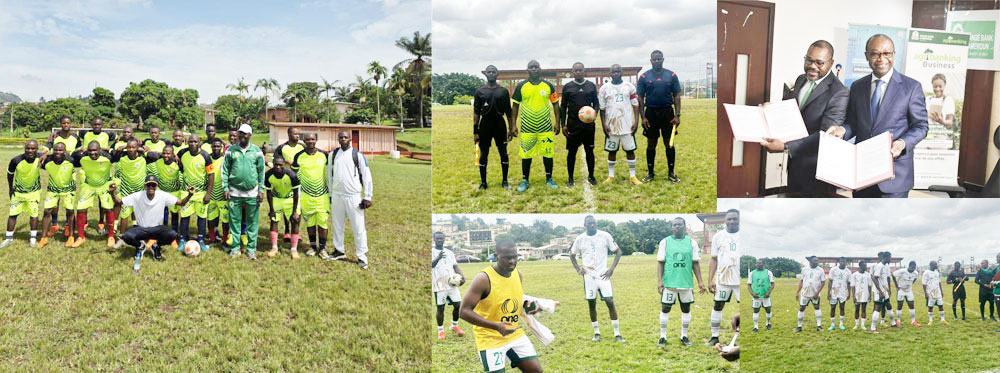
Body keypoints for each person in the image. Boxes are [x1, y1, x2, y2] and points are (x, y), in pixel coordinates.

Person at [826, 34, 929, 198]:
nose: (882, 59)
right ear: (866, 56)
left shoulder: (911, 87)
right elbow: (854, 123)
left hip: (895, 177)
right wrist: (842, 131)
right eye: (875, 54)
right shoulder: (858, 86)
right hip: (863, 175)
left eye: (887, 53)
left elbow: (921, 126)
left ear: (893, 55)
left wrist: (902, 143)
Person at [760, 40, 848, 195]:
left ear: (831, 63)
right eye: (809, 60)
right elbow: (790, 111)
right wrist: (772, 109)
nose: (813, 66)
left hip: (818, 170)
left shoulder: (839, 92)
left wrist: (786, 147)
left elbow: (826, 136)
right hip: (795, 164)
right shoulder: (801, 79)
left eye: (819, 63)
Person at [459, 238, 542, 373]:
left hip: (513, 333)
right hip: (489, 338)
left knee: (535, 370)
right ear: (496, 256)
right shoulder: (483, 278)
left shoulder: (517, 274)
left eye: (514, 257)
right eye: (507, 258)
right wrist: (497, 326)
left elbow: (514, 299)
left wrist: (529, 307)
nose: (512, 261)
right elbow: (464, 311)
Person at [110, 176, 193, 269]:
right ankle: (140, 246)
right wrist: (112, 192)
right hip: (141, 229)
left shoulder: (162, 195)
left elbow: (181, 202)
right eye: (148, 185)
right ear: (145, 186)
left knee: (173, 234)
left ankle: (156, 246)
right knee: (126, 236)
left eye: (153, 185)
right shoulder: (137, 196)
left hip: (157, 229)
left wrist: (190, 195)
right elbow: (118, 202)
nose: (151, 187)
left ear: (156, 186)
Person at [569, 215, 624, 343]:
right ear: (585, 225)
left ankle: (617, 334)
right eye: (589, 223)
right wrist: (578, 269)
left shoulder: (605, 235)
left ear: (596, 223)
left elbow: (618, 251)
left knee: (610, 302)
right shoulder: (580, 239)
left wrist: (611, 269)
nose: (592, 225)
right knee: (591, 304)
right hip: (589, 276)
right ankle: (597, 332)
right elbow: (572, 254)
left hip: (603, 275)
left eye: (594, 223)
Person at [511, 60, 561, 192]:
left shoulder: (548, 85)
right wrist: (513, 125)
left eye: (536, 67)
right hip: (527, 128)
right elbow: (515, 105)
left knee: (548, 154)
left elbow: (556, 104)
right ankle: (525, 180)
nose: (534, 69)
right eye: (531, 67)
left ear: (540, 69)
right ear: (527, 70)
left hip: (546, 128)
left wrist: (558, 122)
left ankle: (549, 179)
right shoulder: (521, 86)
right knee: (526, 155)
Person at [327, 130, 374, 269]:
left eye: (345, 137)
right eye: (340, 137)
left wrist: (367, 196)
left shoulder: (357, 155)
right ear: (338, 139)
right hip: (337, 195)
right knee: (337, 225)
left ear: (350, 139)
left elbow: (367, 176)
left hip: (354, 196)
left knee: (358, 227)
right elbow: (329, 175)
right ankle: (339, 251)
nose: (343, 139)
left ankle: (362, 256)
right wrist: (330, 194)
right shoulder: (332, 155)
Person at [656, 217, 706, 347]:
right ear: (672, 227)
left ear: (684, 226)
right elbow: (660, 262)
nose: (677, 227)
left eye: (679, 224)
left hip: (686, 282)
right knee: (665, 308)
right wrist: (660, 281)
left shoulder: (692, 243)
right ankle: (663, 336)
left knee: (686, 309)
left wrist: (700, 282)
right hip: (669, 283)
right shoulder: (665, 242)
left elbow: (695, 263)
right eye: (674, 225)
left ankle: (684, 336)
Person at [221, 124, 265, 260]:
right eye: (240, 133)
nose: (242, 136)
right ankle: (235, 248)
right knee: (234, 221)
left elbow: (261, 171)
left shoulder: (257, 151)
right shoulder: (230, 151)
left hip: (252, 192)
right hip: (234, 192)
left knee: (252, 222)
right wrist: (226, 188)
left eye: (245, 133)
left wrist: (261, 189)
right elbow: (224, 170)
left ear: (250, 135)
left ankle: (251, 249)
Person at [637, 50, 682, 183]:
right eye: (654, 59)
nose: (657, 61)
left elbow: (677, 95)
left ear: (663, 59)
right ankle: (650, 174)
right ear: (650, 61)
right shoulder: (644, 77)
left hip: (668, 113)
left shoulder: (672, 75)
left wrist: (677, 115)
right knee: (651, 144)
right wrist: (643, 117)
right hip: (651, 113)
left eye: (659, 59)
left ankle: (671, 173)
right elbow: (640, 97)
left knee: (670, 143)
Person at [599, 64, 642, 185]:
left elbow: (636, 105)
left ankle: (633, 176)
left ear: (622, 72)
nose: (616, 74)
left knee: (630, 151)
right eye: (613, 72)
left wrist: (636, 122)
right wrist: (604, 125)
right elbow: (602, 109)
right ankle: (611, 176)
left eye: (618, 71)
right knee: (612, 151)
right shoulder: (604, 88)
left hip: (627, 126)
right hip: (611, 127)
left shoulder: (629, 86)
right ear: (610, 74)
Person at [473, 65, 514, 190]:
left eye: (493, 72)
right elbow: (476, 113)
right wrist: (475, 131)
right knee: (484, 154)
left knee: (503, 153)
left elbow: (509, 112)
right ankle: (483, 183)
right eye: (489, 72)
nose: (491, 73)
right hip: (485, 125)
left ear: (497, 74)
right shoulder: (480, 92)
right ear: (486, 74)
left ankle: (505, 181)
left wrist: (511, 128)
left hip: (499, 125)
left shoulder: (503, 91)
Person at [560, 62, 600, 186]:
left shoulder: (591, 86)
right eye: (576, 70)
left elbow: (596, 104)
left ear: (584, 71)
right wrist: (563, 124)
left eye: (580, 70)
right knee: (571, 152)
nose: (578, 72)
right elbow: (563, 107)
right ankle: (570, 178)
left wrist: (594, 114)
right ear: (572, 72)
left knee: (590, 151)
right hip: (573, 125)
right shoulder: (567, 87)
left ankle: (591, 176)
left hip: (588, 126)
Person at [110, 139, 154, 249]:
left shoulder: (144, 159)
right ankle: (122, 238)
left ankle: (143, 238)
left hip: (140, 194)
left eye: (133, 147)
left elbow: (156, 156)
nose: (130, 149)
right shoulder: (122, 160)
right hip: (126, 193)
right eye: (128, 147)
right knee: (124, 216)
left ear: (137, 149)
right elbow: (117, 175)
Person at [291, 133, 330, 259]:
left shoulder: (324, 155)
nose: (310, 141)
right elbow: (294, 173)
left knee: (323, 223)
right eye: (307, 139)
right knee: (310, 223)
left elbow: (332, 172)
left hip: (322, 195)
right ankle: (313, 247)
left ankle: (323, 248)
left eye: (312, 139)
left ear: (316, 140)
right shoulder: (298, 156)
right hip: (306, 196)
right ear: (303, 140)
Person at [70, 141, 116, 249]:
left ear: (100, 150)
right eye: (90, 150)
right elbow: (71, 155)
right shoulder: (83, 159)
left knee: (108, 209)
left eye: (95, 150)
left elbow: (119, 154)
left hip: (104, 185)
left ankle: (111, 236)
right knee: (81, 209)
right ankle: (81, 237)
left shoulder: (107, 158)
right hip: (89, 186)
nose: (92, 153)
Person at [176, 134, 214, 252]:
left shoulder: (206, 156)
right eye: (190, 141)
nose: (192, 144)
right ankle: (182, 239)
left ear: (199, 143)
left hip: (201, 192)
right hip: (186, 192)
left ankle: (201, 239)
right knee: (185, 216)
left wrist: (208, 194)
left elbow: (211, 175)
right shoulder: (182, 153)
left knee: (201, 217)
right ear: (187, 142)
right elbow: (175, 158)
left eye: (195, 142)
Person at [1, 140, 42, 248]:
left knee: (33, 215)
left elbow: (54, 156)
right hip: (18, 192)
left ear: (37, 149)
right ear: (24, 149)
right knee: (13, 214)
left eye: (33, 148)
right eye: (28, 148)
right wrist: (11, 188)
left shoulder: (41, 158)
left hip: (34, 192)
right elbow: (10, 175)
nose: (30, 150)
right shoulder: (16, 160)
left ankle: (33, 238)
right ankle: (8, 238)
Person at [708, 209, 740, 346]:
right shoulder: (718, 237)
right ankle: (714, 337)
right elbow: (713, 259)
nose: (732, 221)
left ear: (739, 219)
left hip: (740, 281)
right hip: (723, 279)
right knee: (718, 305)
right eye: (729, 219)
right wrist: (710, 279)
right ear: (725, 221)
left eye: (734, 218)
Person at [37, 142, 77, 248]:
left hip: (68, 190)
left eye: (60, 150)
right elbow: (36, 156)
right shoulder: (47, 161)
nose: (58, 152)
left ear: (65, 151)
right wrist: (45, 155)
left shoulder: (71, 160)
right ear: (52, 151)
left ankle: (71, 236)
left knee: (70, 211)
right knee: (47, 211)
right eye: (56, 150)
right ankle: (43, 238)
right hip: (53, 189)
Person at [264, 156, 300, 258]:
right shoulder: (268, 175)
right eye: (276, 164)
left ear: (284, 165)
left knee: (295, 222)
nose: (278, 167)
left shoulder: (291, 175)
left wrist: (294, 211)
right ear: (273, 164)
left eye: (280, 165)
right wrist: (271, 209)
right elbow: (269, 193)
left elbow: (296, 194)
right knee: (273, 220)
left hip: (291, 199)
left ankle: (294, 250)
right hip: (277, 199)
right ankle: (274, 248)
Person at [432, 231, 466, 339]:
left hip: (452, 284)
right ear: (434, 239)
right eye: (437, 238)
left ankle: (454, 325)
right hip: (439, 285)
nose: (439, 240)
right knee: (440, 308)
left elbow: (455, 266)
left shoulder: (449, 252)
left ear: (444, 239)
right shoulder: (431, 252)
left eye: (441, 238)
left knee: (458, 305)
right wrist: (438, 257)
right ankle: (440, 331)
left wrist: (461, 276)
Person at [273, 126, 304, 241]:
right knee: (287, 206)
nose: (298, 136)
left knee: (297, 207)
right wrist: (285, 162)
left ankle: (296, 231)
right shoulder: (281, 148)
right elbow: (275, 161)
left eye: (298, 134)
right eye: (295, 134)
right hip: (286, 181)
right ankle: (286, 231)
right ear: (289, 134)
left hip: (299, 180)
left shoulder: (302, 147)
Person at [147, 144, 183, 241]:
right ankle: (161, 233)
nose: (165, 155)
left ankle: (174, 235)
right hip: (161, 192)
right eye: (164, 153)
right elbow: (149, 156)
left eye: (168, 153)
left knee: (174, 214)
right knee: (161, 213)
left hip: (174, 193)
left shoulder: (177, 166)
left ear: (173, 154)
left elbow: (181, 179)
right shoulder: (158, 162)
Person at [206, 139, 230, 247]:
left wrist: (227, 189)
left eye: (218, 146)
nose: (216, 148)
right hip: (211, 193)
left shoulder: (225, 159)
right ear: (211, 147)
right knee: (210, 218)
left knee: (225, 219)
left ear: (221, 147)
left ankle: (224, 240)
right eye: (214, 146)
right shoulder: (207, 158)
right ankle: (212, 239)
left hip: (223, 194)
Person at [795, 256, 826, 332]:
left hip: (815, 293)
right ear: (810, 261)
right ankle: (799, 327)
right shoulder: (804, 269)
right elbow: (801, 281)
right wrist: (797, 292)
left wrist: (817, 293)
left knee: (817, 307)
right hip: (805, 293)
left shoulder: (820, 270)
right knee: (802, 308)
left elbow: (823, 282)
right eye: (815, 260)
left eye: (817, 261)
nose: (817, 262)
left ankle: (819, 326)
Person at [869, 252, 895, 332]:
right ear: (885, 257)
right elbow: (874, 278)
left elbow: (887, 278)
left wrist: (888, 290)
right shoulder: (879, 266)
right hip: (879, 291)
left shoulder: (886, 266)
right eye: (889, 258)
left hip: (885, 290)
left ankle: (893, 323)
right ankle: (872, 328)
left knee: (889, 305)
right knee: (877, 308)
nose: (890, 259)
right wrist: (880, 291)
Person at [826, 257, 852, 331]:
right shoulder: (833, 269)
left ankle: (841, 324)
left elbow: (849, 283)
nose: (843, 263)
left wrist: (849, 294)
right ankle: (832, 324)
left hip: (843, 292)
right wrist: (829, 293)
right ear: (839, 262)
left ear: (846, 263)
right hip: (834, 292)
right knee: (833, 307)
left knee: (842, 307)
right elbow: (830, 281)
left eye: (844, 261)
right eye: (841, 261)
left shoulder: (848, 272)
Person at [892, 260, 921, 326]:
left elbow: (915, 278)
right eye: (912, 267)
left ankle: (913, 321)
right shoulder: (902, 271)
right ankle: (898, 321)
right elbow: (893, 275)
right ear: (909, 266)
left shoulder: (915, 273)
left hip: (909, 291)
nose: (913, 269)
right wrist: (897, 286)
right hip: (901, 290)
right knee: (900, 305)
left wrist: (911, 284)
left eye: (914, 267)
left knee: (911, 305)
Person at [748, 259, 774, 332]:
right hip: (756, 296)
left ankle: (768, 324)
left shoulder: (768, 272)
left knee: (768, 310)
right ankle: (756, 327)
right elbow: (749, 285)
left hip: (766, 296)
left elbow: (772, 284)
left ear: (763, 264)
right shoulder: (752, 273)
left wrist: (768, 293)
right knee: (756, 310)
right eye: (756, 263)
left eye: (759, 263)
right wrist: (752, 294)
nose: (757, 264)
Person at [921, 260, 948, 325]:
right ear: (931, 265)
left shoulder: (937, 272)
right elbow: (924, 284)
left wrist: (941, 291)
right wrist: (925, 293)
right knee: (930, 306)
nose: (936, 265)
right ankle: (930, 320)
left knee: (940, 305)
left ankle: (943, 320)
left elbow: (939, 282)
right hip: (930, 292)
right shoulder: (926, 273)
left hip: (937, 291)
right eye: (935, 264)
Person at [849, 260, 873, 330]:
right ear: (860, 266)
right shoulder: (854, 275)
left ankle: (863, 325)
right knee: (857, 309)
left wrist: (870, 295)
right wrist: (853, 296)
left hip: (865, 294)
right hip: (857, 294)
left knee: (864, 309)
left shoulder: (868, 274)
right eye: (864, 266)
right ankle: (856, 325)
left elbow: (869, 286)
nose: (866, 267)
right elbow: (852, 286)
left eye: (866, 265)